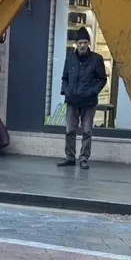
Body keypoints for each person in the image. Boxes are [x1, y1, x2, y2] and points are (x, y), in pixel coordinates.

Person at [57, 28, 107, 169]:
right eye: (80, 42)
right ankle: (70, 157)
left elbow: (102, 79)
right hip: (72, 100)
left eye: (85, 42)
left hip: (88, 101)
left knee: (87, 131)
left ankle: (84, 158)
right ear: (76, 44)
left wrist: (93, 92)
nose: (83, 45)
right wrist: (65, 91)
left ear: (89, 43)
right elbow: (65, 77)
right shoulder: (70, 58)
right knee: (70, 130)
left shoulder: (96, 59)